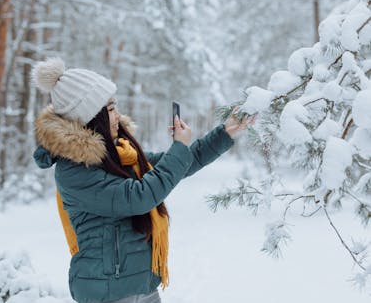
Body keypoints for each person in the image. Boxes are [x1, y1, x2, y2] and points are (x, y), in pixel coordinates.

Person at [32, 57, 254, 303]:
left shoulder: (118, 155)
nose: (118, 114)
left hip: (142, 286)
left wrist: (224, 133)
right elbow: (139, 197)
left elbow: (178, 165)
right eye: (110, 109)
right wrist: (178, 147)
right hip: (108, 292)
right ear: (89, 116)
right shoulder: (74, 171)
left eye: (115, 106)